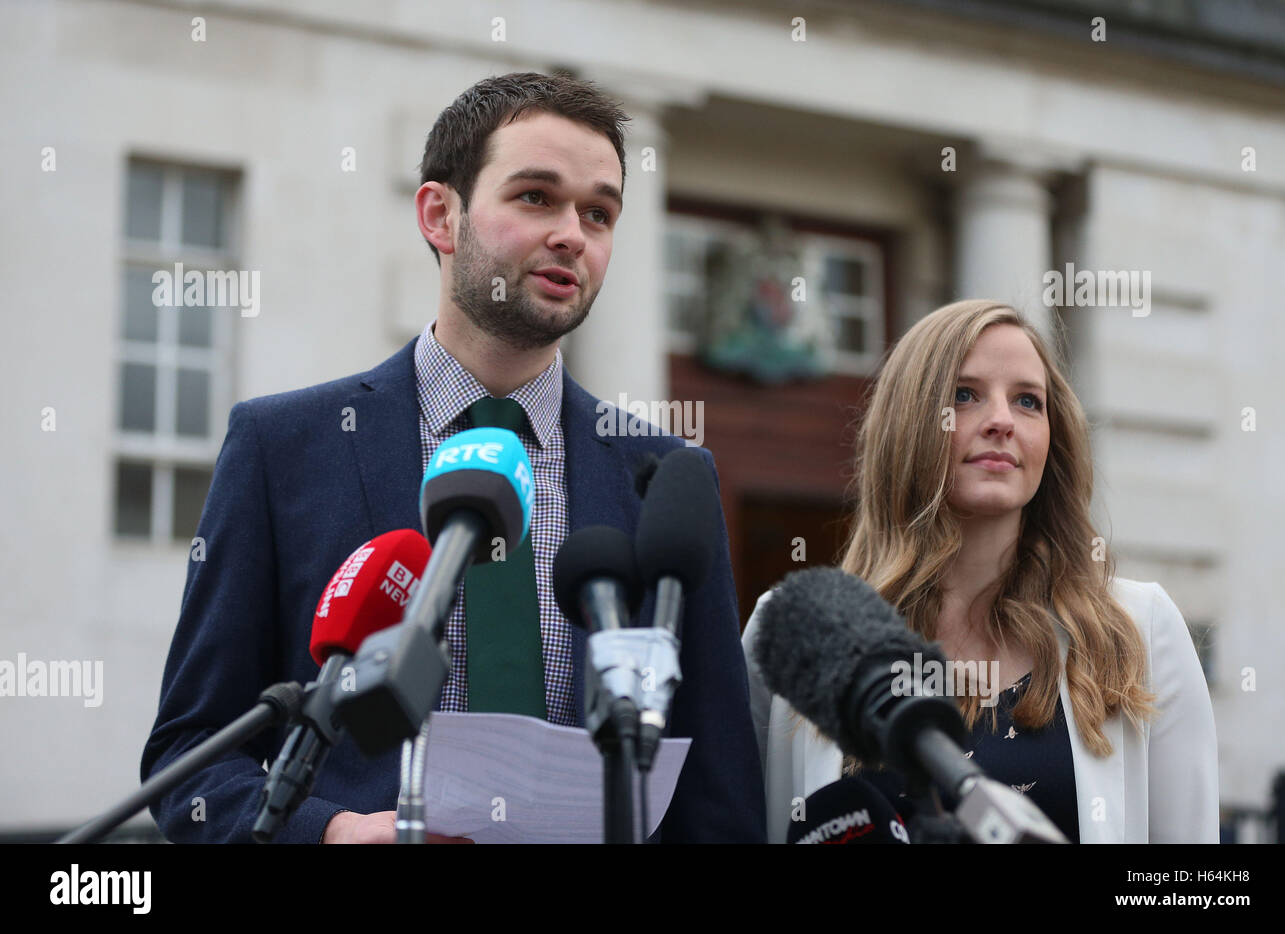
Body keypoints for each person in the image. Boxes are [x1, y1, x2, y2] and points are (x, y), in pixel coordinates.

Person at [141, 72, 765, 844]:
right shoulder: (283, 449)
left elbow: (722, 796)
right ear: (441, 214)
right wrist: (334, 834)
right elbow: (192, 763)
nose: (573, 232)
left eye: (599, 213)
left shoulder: (668, 476)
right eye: (536, 196)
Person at [742, 299, 1218, 843]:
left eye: (1027, 401)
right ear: (910, 424)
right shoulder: (795, 629)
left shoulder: (1140, 627)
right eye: (964, 396)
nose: (1001, 421)